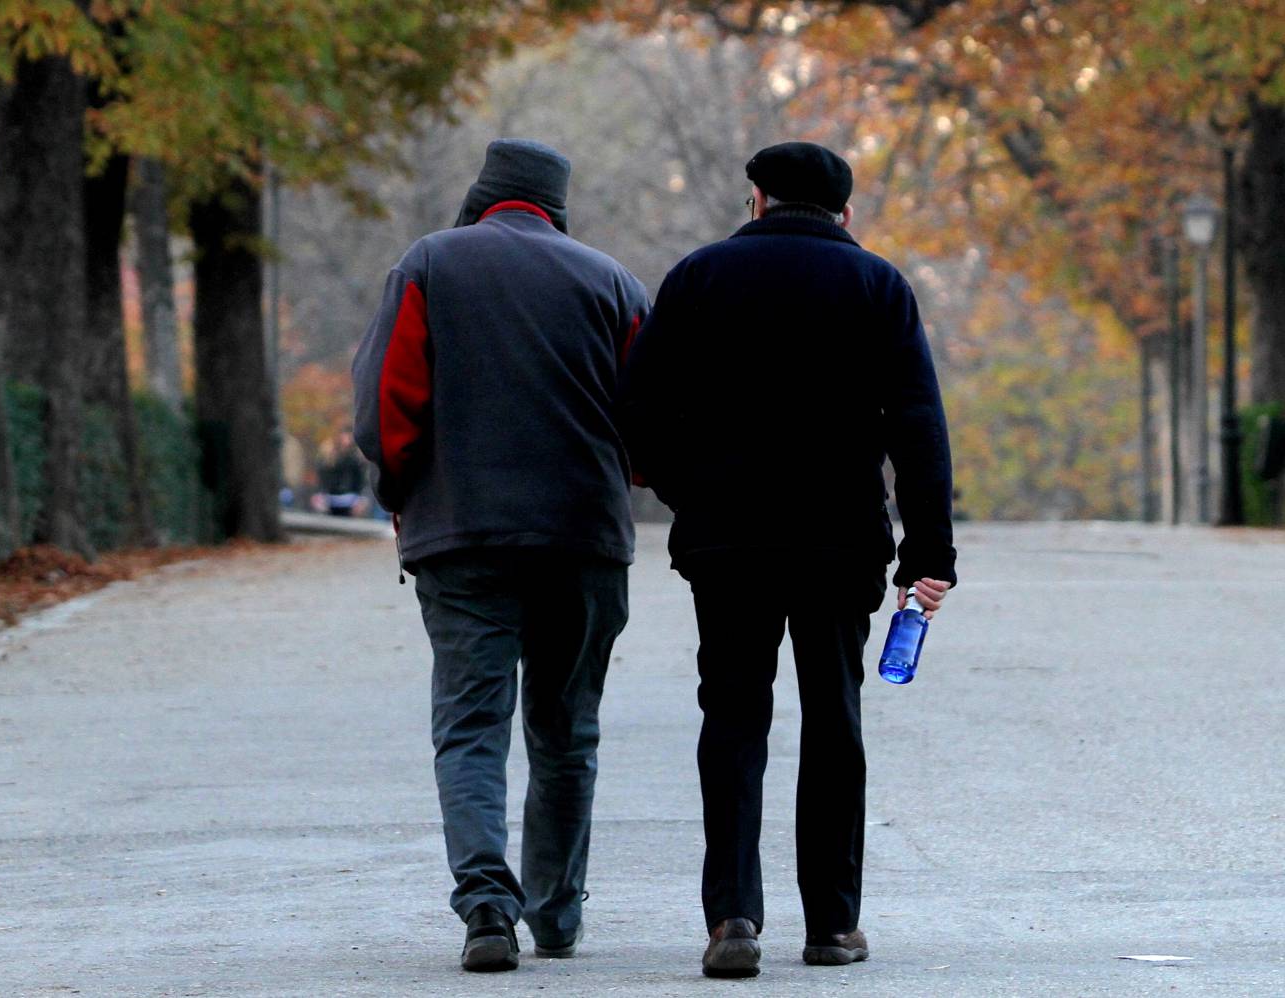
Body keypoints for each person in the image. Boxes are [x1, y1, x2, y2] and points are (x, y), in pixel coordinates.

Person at [621, 141, 957, 979]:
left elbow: (638, 406)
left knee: (733, 720)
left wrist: (687, 490)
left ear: (759, 200)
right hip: (839, 539)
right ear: (844, 214)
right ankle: (832, 924)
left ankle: (733, 916)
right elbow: (917, 426)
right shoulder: (879, 286)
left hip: (727, 539)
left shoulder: (698, 277)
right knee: (833, 723)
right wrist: (930, 551)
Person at [352, 139, 648, 973]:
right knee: (566, 731)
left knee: (472, 726)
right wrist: (621, 477)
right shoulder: (612, 281)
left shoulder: (429, 265)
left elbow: (386, 403)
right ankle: (556, 913)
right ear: (557, 204)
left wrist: (404, 492)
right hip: (583, 538)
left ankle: (487, 907)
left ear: (481, 195)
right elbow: (652, 417)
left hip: (464, 537)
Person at [315, 428, 369, 517]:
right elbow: (322, 478)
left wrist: (361, 499)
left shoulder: (356, 458)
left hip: (351, 499)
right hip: (330, 498)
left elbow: (361, 480)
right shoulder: (329, 455)